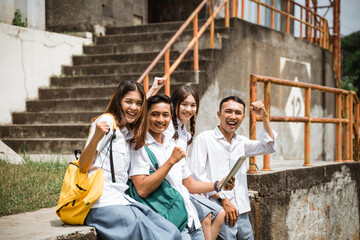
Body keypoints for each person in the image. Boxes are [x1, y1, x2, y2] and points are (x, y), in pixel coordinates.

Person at [78, 80, 181, 240]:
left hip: (121, 199)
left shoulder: (129, 133)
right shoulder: (106, 122)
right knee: (154, 236)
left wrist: (153, 89)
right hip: (100, 202)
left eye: (139, 103)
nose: (134, 107)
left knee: (171, 232)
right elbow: (83, 165)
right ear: (118, 101)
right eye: (128, 102)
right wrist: (96, 137)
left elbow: (139, 112)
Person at [129, 94, 234, 240]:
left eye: (165, 115)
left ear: (171, 116)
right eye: (154, 114)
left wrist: (217, 185)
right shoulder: (139, 146)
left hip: (190, 217)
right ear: (145, 116)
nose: (160, 120)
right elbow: (142, 189)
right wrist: (171, 161)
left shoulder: (173, 145)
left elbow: (189, 184)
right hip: (170, 223)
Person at [190, 96, 277, 240]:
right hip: (218, 209)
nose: (233, 116)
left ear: (243, 117)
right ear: (219, 114)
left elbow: (268, 146)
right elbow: (197, 177)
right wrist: (223, 200)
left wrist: (265, 116)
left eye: (237, 113)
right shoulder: (205, 139)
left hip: (241, 210)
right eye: (228, 111)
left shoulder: (241, 142)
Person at [164, 85, 226, 240]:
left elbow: (185, 176)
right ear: (174, 104)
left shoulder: (184, 133)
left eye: (193, 105)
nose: (189, 109)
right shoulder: (166, 128)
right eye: (184, 104)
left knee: (219, 213)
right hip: (169, 188)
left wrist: (216, 185)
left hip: (182, 186)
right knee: (206, 217)